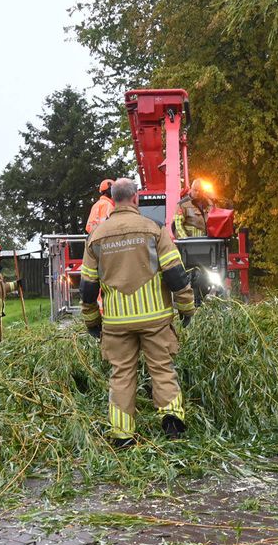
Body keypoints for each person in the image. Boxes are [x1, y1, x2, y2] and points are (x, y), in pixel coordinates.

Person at [81, 178, 196, 447]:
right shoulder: (153, 229)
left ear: (112, 198)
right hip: (154, 318)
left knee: (121, 374)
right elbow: (175, 274)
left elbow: (87, 287)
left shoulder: (96, 237)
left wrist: (91, 321)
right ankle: (172, 423)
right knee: (162, 369)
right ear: (135, 199)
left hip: (117, 322)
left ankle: (122, 435)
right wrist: (186, 307)